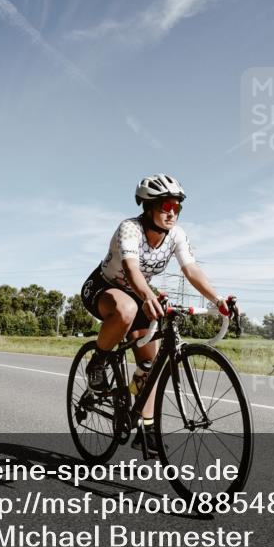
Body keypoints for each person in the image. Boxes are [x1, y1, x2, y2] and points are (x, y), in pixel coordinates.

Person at [80, 174, 235, 458]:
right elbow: (131, 270)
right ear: (148, 206)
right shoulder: (130, 229)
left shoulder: (176, 235)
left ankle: (147, 429)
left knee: (149, 365)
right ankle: (98, 362)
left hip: (138, 292)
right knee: (126, 309)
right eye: (166, 206)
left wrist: (217, 299)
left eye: (177, 207)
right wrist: (149, 296)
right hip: (104, 288)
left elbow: (191, 270)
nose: (172, 213)